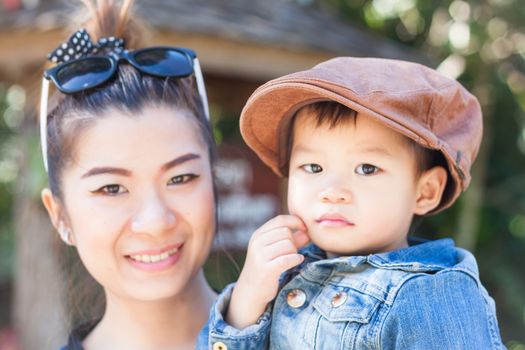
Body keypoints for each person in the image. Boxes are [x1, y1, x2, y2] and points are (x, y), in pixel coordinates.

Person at [203, 57, 505, 349]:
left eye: (367, 169)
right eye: (313, 168)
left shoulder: (430, 296)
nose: (332, 191)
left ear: (425, 191)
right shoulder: (282, 275)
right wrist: (246, 299)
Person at [39, 0, 217, 348]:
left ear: (213, 176)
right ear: (60, 216)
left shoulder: (317, 332)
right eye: (111, 188)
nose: (155, 221)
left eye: (180, 178)